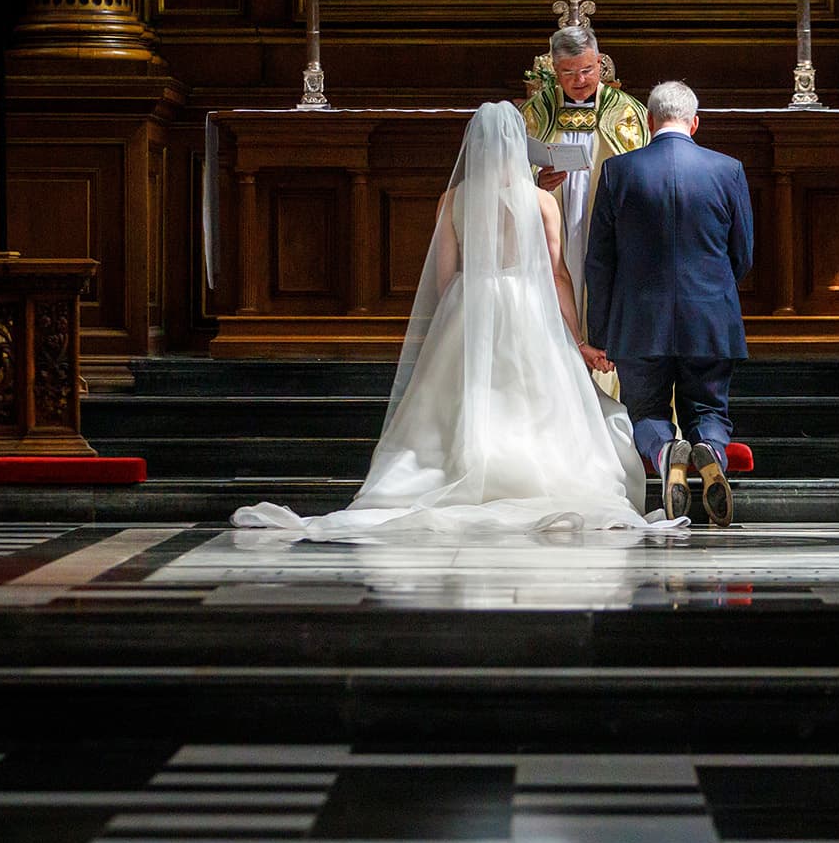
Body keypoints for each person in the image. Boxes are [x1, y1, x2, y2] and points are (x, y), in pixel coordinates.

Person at [232, 103, 674, 538]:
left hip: (471, 304)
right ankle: (533, 474)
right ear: (519, 146)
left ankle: (457, 471)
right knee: (536, 399)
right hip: (528, 307)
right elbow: (558, 276)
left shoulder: (452, 201)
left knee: (458, 404)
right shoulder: (541, 201)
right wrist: (575, 339)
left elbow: (445, 280)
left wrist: (461, 320)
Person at [583, 80, 753, 526]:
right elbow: (744, 254)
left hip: (639, 321)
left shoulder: (619, 172)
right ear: (694, 122)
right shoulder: (728, 170)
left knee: (647, 411)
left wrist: (598, 335)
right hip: (710, 317)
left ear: (649, 121)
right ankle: (711, 453)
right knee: (710, 408)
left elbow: (599, 262)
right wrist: (710, 294)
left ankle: (664, 453)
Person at [519, 24, 649, 353]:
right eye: (568, 73)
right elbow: (508, 172)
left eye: (587, 70)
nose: (579, 81)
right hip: (553, 222)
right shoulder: (536, 112)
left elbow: (643, 170)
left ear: (599, 64)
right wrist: (536, 182)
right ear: (554, 69)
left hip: (605, 222)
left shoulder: (628, 112)